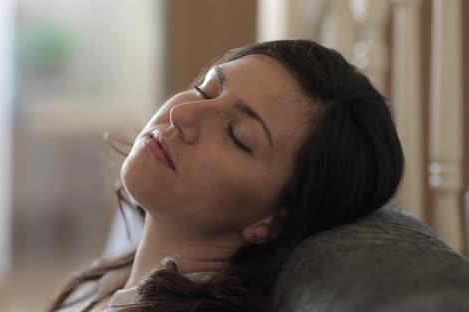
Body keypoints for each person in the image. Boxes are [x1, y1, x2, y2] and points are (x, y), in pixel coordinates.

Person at [47, 39, 404, 312]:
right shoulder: (119, 277)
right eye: (206, 89)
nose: (184, 114)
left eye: (237, 135)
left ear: (274, 220)